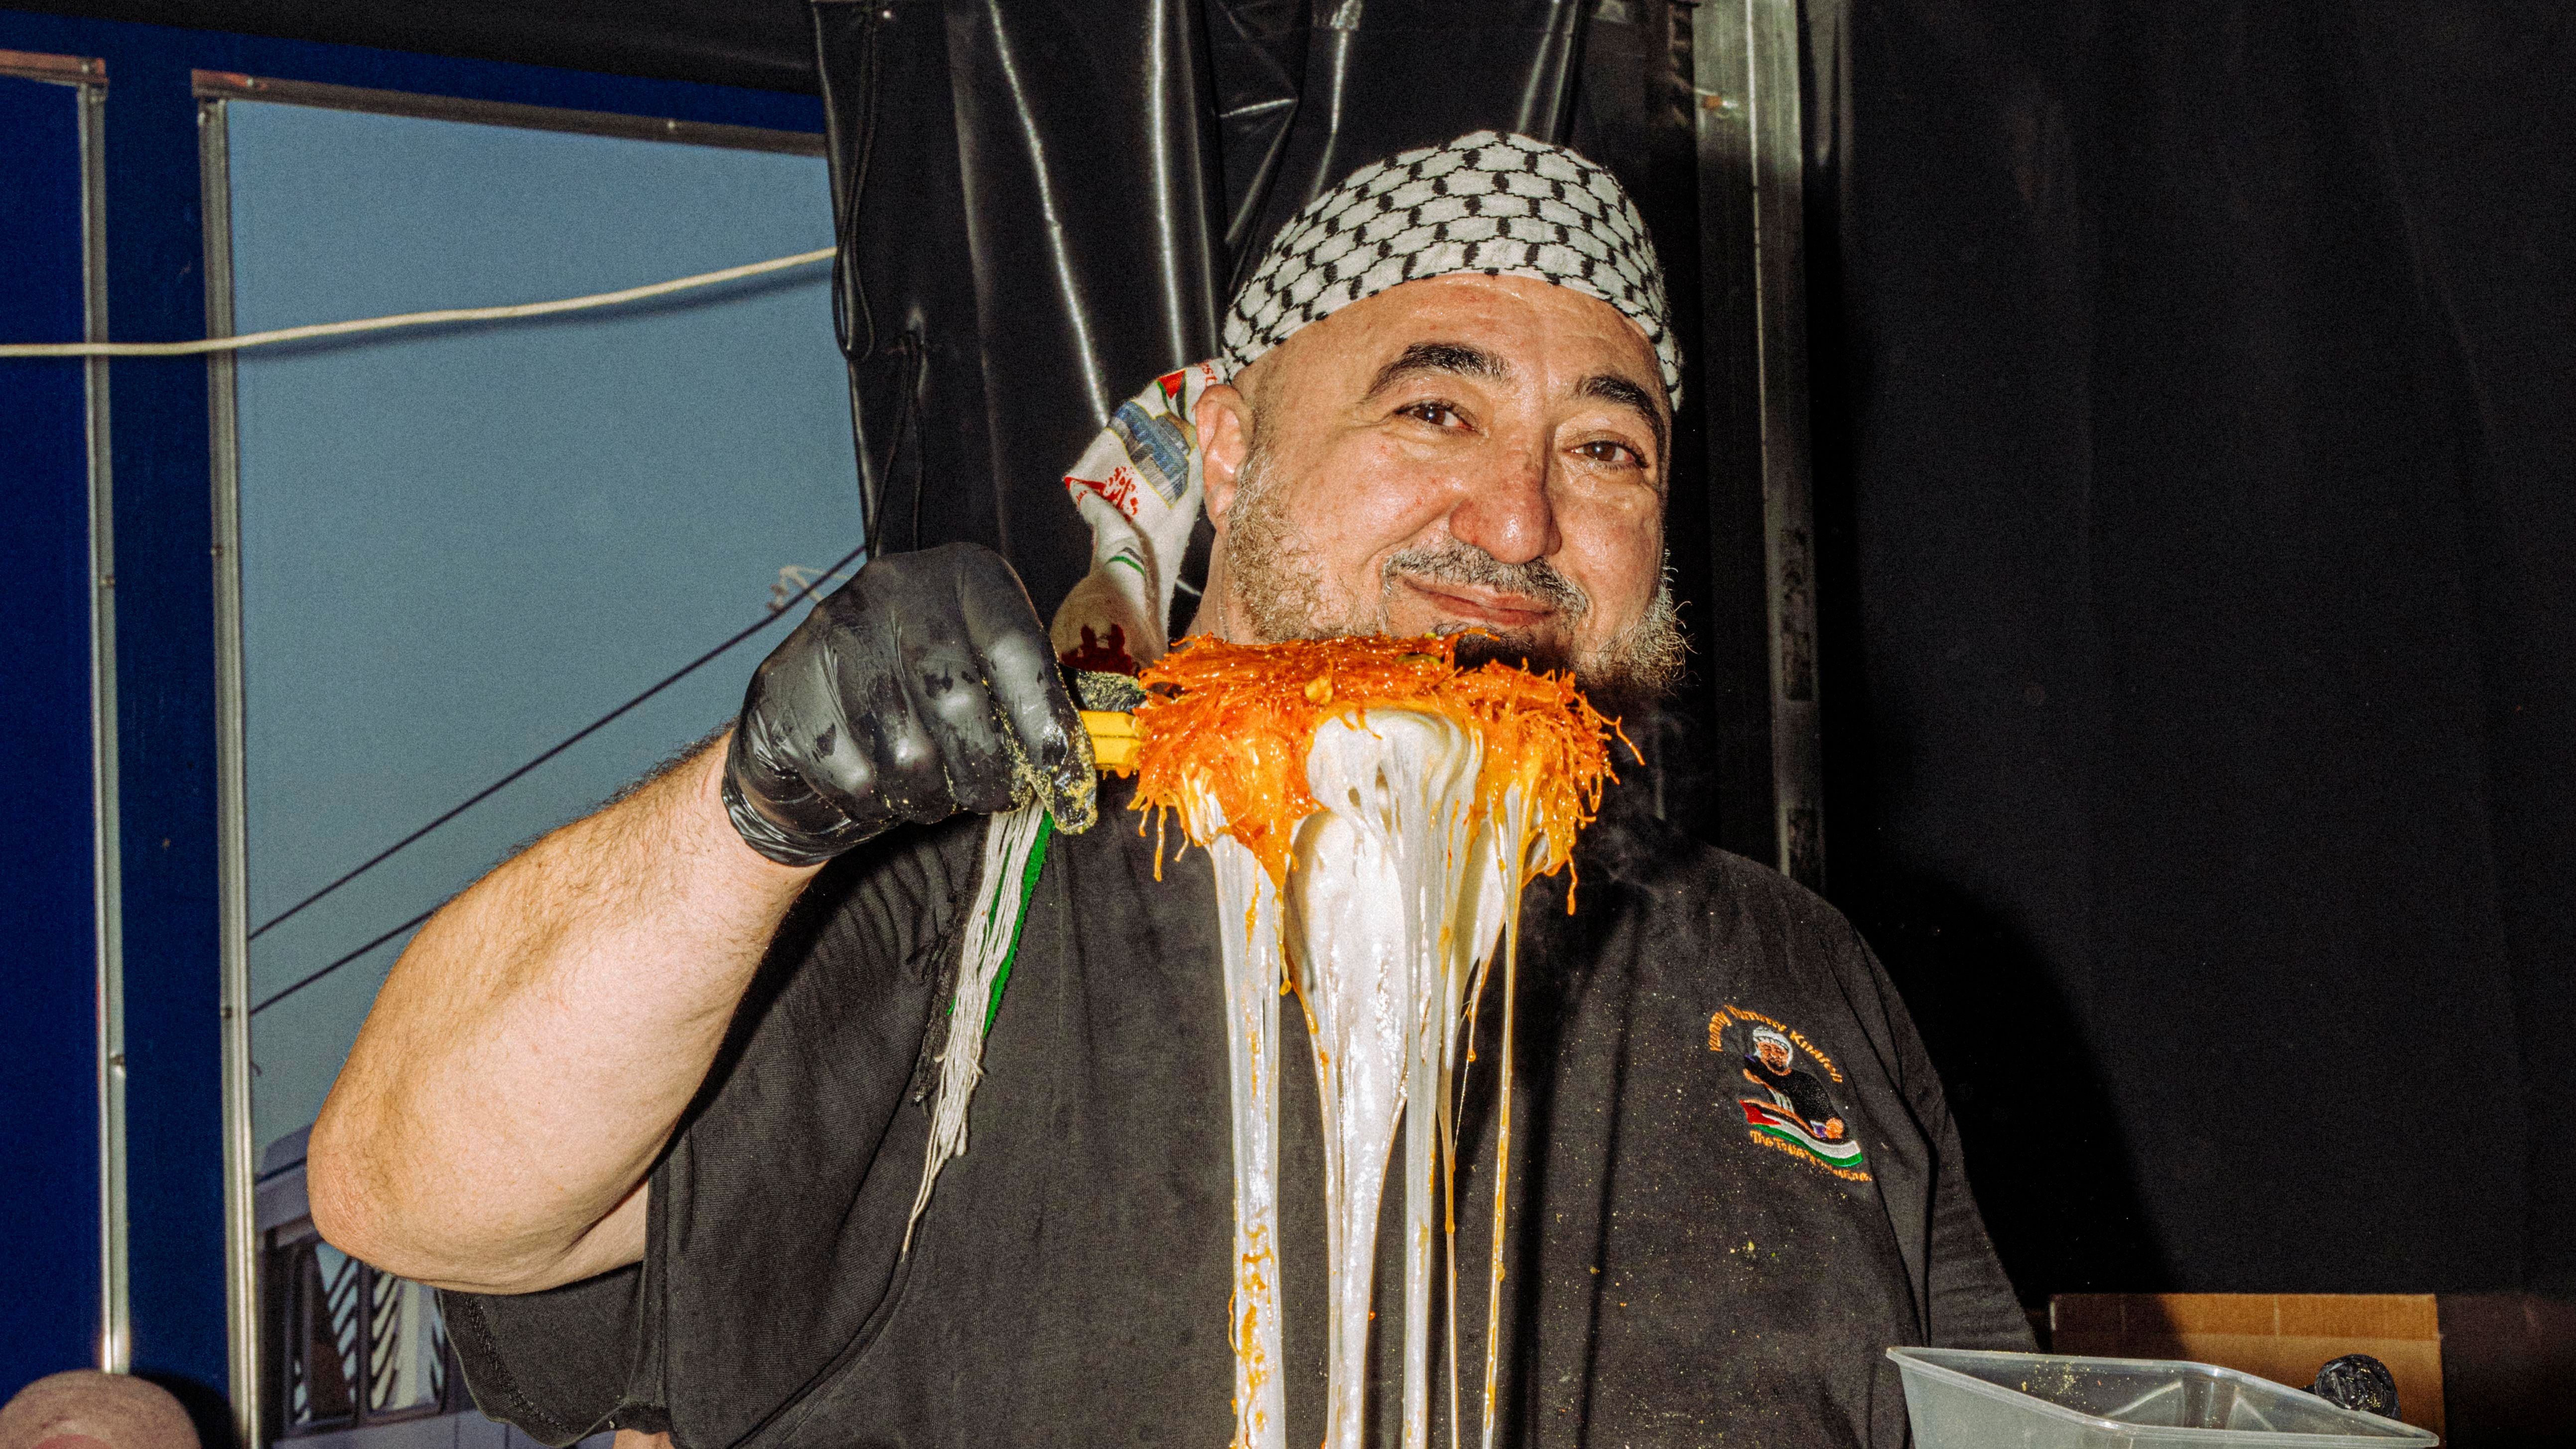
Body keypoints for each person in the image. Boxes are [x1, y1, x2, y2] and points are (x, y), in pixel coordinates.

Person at [309, 131, 2032, 1449]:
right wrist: (753, 807)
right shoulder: (961, 888)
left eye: (1605, 447)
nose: (1519, 519)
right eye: (1434, 407)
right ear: (1222, 445)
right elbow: (407, 1188)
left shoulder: (1784, 965)